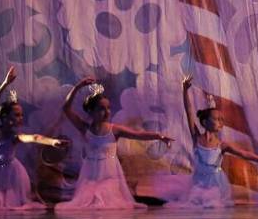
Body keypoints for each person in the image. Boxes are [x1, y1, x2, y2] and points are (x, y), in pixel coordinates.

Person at [56, 77, 174, 211]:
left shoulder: (115, 130)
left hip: (109, 174)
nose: (107, 112)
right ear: (91, 111)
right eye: (101, 109)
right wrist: (78, 86)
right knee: (88, 203)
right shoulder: (85, 128)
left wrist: (159, 136)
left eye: (108, 108)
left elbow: (138, 134)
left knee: (108, 202)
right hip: (90, 174)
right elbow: (66, 108)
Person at [0, 67, 68, 211]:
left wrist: (52, 141)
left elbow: (34, 137)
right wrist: (5, 84)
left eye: (21, 115)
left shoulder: (15, 137)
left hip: (12, 172)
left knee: (10, 203)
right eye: (16, 115)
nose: (20, 118)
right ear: (4, 117)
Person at [178, 75, 258, 207]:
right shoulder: (196, 137)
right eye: (217, 119)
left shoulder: (222, 145)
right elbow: (189, 112)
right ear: (205, 122)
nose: (220, 122)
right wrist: (184, 91)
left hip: (216, 183)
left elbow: (243, 153)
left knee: (212, 205)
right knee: (197, 205)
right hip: (199, 182)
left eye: (222, 120)